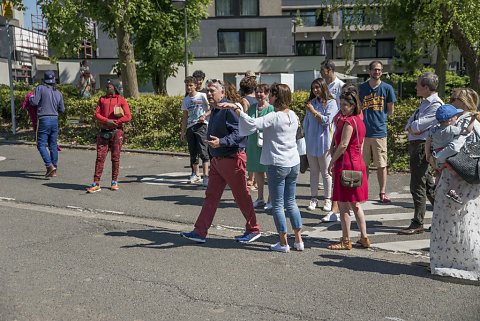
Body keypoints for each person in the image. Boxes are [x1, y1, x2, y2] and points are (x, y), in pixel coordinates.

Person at [221, 83, 304, 253]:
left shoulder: (274, 116)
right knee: (291, 202)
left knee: (279, 204)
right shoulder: (294, 115)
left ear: (276, 97)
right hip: (293, 162)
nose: (268, 97)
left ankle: (283, 242)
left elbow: (251, 123)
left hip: (277, 163)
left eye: (271, 95)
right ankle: (298, 240)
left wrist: (237, 109)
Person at [180, 79, 261, 244]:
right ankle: (200, 231)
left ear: (222, 93)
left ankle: (253, 230)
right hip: (217, 160)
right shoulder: (215, 109)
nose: (209, 93)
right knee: (211, 196)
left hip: (232, 159)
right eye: (208, 91)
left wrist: (221, 142)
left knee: (241, 197)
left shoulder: (228, 108)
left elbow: (240, 133)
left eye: (213, 91)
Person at [430, 88, 480, 281]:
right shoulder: (472, 120)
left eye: (453, 99)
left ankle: (457, 261)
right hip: (468, 178)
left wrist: (437, 159)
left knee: (453, 219)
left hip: (458, 177)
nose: (449, 102)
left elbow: (455, 147)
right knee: (467, 218)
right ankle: (458, 259)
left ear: (464, 103)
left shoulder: (463, 121)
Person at [399, 72, 443, 235]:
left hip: (422, 146)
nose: (415, 87)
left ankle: (417, 222)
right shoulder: (424, 102)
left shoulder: (435, 104)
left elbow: (418, 126)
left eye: (418, 85)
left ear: (426, 87)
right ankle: (442, 216)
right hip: (417, 145)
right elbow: (410, 123)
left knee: (417, 184)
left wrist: (414, 127)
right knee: (427, 184)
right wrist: (413, 127)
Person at [327, 90, 370, 250]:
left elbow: (343, 145)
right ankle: (364, 237)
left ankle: (346, 240)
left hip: (345, 164)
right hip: (357, 163)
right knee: (356, 204)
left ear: (353, 106)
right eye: (341, 104)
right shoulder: (359, 121)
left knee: (344, 206)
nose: (342, 107)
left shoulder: (349, 122)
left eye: (345, 105)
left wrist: (332, 161)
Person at [359, 61, 396, 203]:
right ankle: (363, 192)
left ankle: (382, 193)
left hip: (380, 132)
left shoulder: (387, 88)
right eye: (374, 70)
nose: (377, 72)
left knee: (381, 165)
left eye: (379, 70)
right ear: (369, 71)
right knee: (364, 165)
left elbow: (390, 111)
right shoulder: (361, 88)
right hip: (363, 133)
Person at [425, 104, 478, 204]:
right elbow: (467, 131)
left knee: (439, 172)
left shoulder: (434, 129)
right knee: (455, 175)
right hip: (446, 157)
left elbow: (427, 141)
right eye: (455, 117)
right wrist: (472, 120)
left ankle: (435, 187)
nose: (456, 119)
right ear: (449, 121)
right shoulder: (451, 129)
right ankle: (452, 191)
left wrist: (428, 153)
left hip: (435, 156)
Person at [87, 79, 131, 193]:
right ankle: (96, 183)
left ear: (115, 88)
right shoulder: (101, 99)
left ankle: (114, 181)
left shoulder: (121, 100)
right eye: (106, 87)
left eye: (109, 87)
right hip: (103, 131)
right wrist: (107, 121)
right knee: (100, 158)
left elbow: (128, 116)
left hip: (117, 132)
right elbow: (96, 115)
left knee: (115, 158)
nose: (106, 89)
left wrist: (116, 122)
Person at [303, 78, 337, 213]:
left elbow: (327, 121)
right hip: (311, 142)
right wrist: (304, 134)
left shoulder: (331, 103)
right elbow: (306, 122)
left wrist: (313, 111)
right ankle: (314, 198)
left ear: (323, 87)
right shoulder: (311, 103)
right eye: (313, 88)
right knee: (313, 173)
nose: (315, 90)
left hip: (325, 143)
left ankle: (327, 199)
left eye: (318, 87)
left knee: (326, 173)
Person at [29, 70, 65, 178]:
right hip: (54, 120)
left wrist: (30, 98)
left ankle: (49, 166)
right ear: (54, 79)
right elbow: (62, 109)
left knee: (41, 145)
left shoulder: (40, 88)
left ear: (44, 79)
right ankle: (54, 169)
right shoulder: (58, 92)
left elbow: (35, 102)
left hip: (43, 120)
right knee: (53, 145)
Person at [245, 84, 274, 209]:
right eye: (257, 92)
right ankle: (260, 197)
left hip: (267, 143)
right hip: (253, 142)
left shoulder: (272, 109)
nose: (258, 94)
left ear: (267, 94)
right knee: (258, 171)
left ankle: (271, 199)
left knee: (269, 171)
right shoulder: (251, 108)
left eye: (261, 92)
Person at [180, 76, 210, 186]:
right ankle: (196, 175)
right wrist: (182, 132)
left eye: (190, 85)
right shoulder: (186, 100)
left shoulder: (202, 96)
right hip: (190, 127)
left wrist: (205, 115)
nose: (188, 87)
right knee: (193, 152)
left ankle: (206, 176)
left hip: (201, 125)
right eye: (187, 85)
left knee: (203, 150)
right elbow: (184, 117)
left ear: (195, 85)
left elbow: (211, 108)